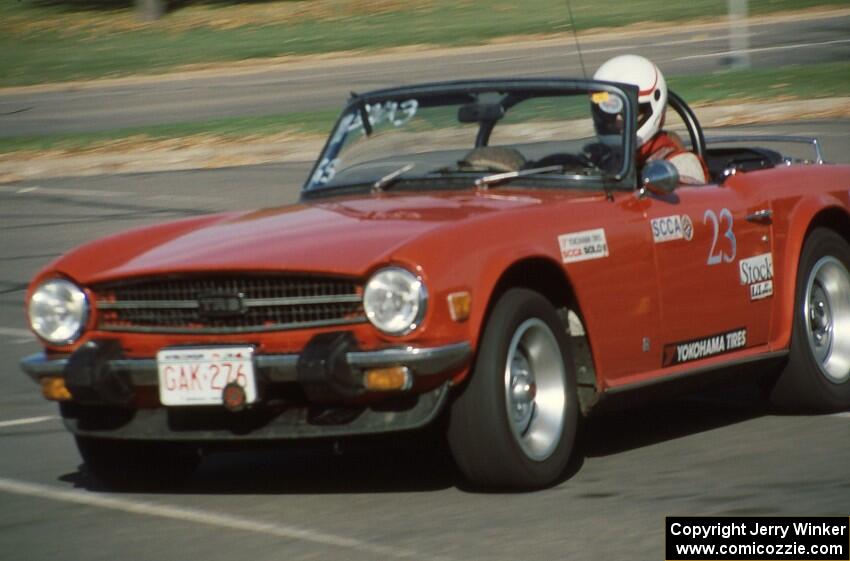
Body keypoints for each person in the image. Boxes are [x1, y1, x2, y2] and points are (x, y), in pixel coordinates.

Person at [593, 55, 709, 185]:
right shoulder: (600, 158)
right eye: (608, 112)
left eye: (629, 113)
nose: (617, 121)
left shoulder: (682, 164)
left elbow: (689, 202)